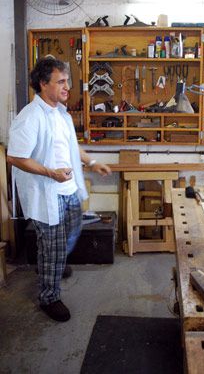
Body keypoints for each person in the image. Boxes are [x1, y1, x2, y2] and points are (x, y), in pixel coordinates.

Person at [7, 58, 111, 322]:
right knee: (52, 243)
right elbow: (15, 157)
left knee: (71, 227)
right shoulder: (30, 117)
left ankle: (52, 262)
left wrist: (93, 162)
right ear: (43, 84)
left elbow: (71, 146)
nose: (68, 87)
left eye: (68, 81)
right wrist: (50, 173)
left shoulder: (61, 113)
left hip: (67, 189)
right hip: (45, 194)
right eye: (61, 81)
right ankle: (48, 296)